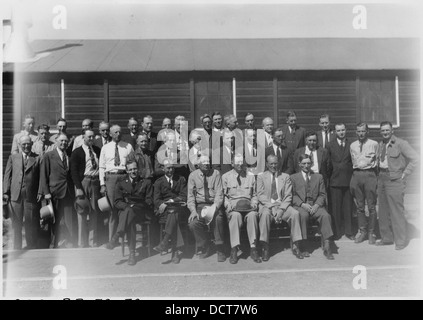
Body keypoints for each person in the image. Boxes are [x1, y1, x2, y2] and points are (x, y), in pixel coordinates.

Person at [376, 121, 419, 250]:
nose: (385, 132)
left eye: (387, 130)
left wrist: (405, 173)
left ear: (392, 131)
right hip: (382, 179)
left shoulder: (401, 143)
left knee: (396, 212)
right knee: (382, 211)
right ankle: (387, 238)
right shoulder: (380, 144)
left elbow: (416, 158)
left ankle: (400, 241)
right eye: (383, 130)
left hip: (394, 180)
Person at [257, 155, 304, 260]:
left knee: (295, 214)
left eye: (275, 163)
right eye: (271, 163)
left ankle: (296, 245)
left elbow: (288, 195)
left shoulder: (285, 176)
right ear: (267, 164)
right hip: (267, 206)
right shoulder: (261, 177)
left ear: (279, 163)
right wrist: (272, 207)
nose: (273, 166)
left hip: (282, 205)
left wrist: (281, 209)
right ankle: (265, 246)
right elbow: (260, 195)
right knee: (264, 215)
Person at [107, 161, 153, 266]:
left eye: (135, 169)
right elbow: (117, 202)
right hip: (127, 212)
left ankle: (117, 236)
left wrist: (136, 205)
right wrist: (128, 206)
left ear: (138, 169)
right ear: (127, 171)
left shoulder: (146, 182)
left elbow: (149, 201)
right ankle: (132, 254)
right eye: (131, 169)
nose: (133, 171)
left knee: (130, 214)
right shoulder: (121, 182)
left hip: (141, 212)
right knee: (130, 218)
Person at [291, 154, 335, 260]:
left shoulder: (318, 177)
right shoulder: (293, 178)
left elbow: (322, 194)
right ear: (299, 164)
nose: (306, 166)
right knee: (303, 215)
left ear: (312, 164)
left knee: (325, 215)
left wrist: (316, 205)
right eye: (304, 163)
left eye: (308, 163)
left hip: (315, 205)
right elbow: (292, 195)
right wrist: (302, 204)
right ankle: (303, 245)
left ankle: (327, 245)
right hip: (302, 205)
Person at [3, 136, 41, 249]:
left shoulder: (37, 158)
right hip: (15, 195)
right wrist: (6, 192)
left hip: (30, 195)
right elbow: (7, 176)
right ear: (20, 145)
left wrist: (40, 192)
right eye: (23, 144)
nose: (26, 146)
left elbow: (41, 177)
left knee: (31, 223)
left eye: (28, 144)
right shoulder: (13, 157)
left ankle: (31, 246)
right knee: (16, 224)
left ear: (31, 144)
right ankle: (17, 248)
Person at [222, 153, 261, 264]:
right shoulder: (225, 177)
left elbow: (255, 194)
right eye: (237, 162)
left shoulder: (250, 176)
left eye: (241, 162)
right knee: (235, 216)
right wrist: (227, 205)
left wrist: (254, 203)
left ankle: (253, 248)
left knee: (253, 215)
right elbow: (224, 195)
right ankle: (234, 249)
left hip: (248, 206)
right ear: (232, 163)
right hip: (234, 206)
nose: (240, 164)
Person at [99, 125, 134, 244]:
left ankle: (126, 239)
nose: (118, 134)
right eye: (115, 132)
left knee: (125, 206)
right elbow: (102, 167)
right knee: (113, 209)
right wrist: (102, 184)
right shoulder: (105, 148)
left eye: (120, 132)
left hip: (124, 177)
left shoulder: (128, 146)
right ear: (110, 134)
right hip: (111, 178)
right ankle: (112, 239)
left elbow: (132, 164)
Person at [39, 133, 76, 248]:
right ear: (56, 141)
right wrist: (46, 193)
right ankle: (53, 244)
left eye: (66, 141)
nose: (64, 143)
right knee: (54, 220)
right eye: (61, 141)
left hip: (68, 193)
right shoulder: (49, 156)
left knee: (69, 220)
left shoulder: (69, 155)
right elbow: (43, 175)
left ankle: (70, 243)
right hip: (54, 193)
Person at [187, 156, 226, 262]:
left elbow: (219, 194)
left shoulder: (216, 173)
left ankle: (219, 247)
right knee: (193, 223)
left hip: (213, 204)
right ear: (198, 165)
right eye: (203, 162)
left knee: (218, 219)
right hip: (200, 206)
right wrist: (193, 211)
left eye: (208, 162)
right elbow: (190, 197)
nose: (206, 164)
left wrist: (215, 207)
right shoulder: (193, 176)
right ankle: (205, 244)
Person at [153, 159, 188, 264]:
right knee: (173, 215)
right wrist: (162, 204)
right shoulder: (158, 182)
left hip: (179, 209)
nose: (170, 170)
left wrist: (172, 201)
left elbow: (183, 196)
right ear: (163, 169)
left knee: (174, 213)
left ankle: (165, 241)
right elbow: (156, 200)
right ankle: (175, 252)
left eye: (172, 167)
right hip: (164, 212)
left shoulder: (181, 179)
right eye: (168, 168)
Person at [70, 129, 101, 248]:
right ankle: (82, 243)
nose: (91, 139)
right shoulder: (77, 152)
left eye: (93, 137)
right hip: (83, 182)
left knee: (94, 211)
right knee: (81, 211)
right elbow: (73, 171)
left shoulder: (97, 151)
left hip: (95, 182)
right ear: (84, 137)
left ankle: (93, 242)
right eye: (89, 137)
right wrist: (78, 187)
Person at [350, 122, 379, 245]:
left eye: (363, 131)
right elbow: (352, 160)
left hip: (370, 174)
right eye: (359, 131)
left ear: (367, 132)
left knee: (371, 206)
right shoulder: (353, 145)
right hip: (357, 174)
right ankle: (362, 231)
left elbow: (377, 161)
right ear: (356, 132)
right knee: (360, 207)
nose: (361, 133)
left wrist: (374, 177)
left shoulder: (374, 144)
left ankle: (371, 232)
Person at [327, 123, 355, 240]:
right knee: (336, 208)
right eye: (338, 130)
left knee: (348, 208)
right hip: (335, 180)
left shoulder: (351, 144)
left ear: (346, 130)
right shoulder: (330, 145)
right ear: (335, 132)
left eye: (343, 130)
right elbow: (327, 163)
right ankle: (337, 232)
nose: (341, 132)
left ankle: (349, 231)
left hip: (348, 180)